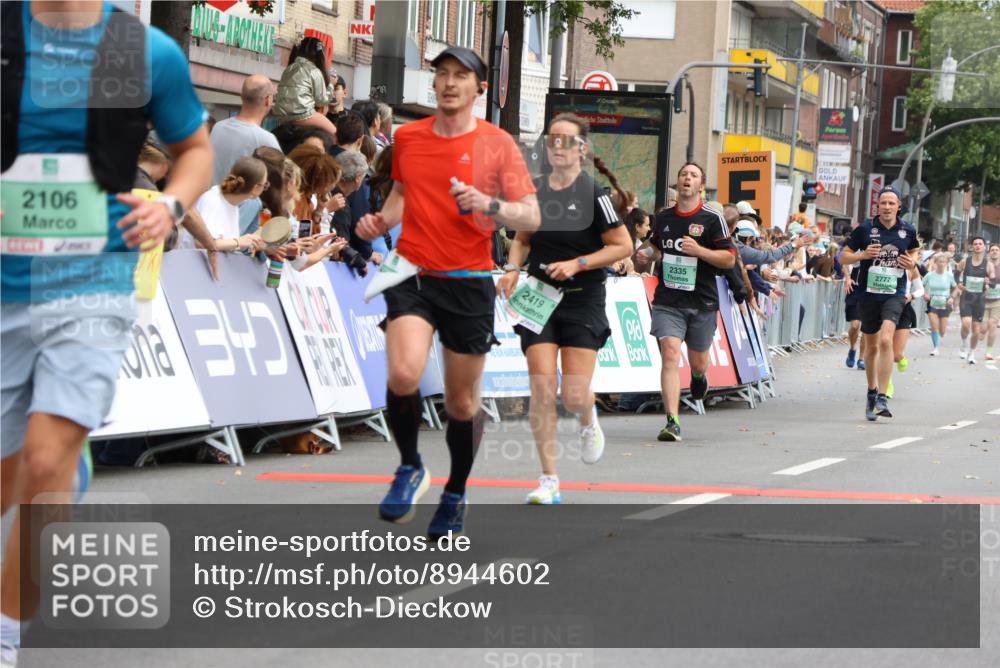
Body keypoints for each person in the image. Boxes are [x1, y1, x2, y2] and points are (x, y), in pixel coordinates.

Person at [0, 1, 212, 664]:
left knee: (43, 461)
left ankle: (5, 637)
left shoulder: (143, 51)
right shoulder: (7, 35)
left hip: (93, 284)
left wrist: (171, 206)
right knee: (13, 475)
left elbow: (195, 150)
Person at [355, 46, 539, 539]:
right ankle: (410, 465)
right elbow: (400, 198)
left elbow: (531, 216)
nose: (450, 83)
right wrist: (379, 222)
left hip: (466, 282)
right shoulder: (409, 138)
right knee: (402, 371)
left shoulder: (498, 144)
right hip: (412, 271)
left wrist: (490, 203)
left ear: (480, 87)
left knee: (461, 405)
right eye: (442, 74)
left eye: (462, 76)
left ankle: (455, 491)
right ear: (433, 83)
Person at [496, 113, 632, 505]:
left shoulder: (594, 194)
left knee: (574, 394)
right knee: (541, 388)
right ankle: (549, 479)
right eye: (552, 139)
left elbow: (623, 246)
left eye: (565, 140)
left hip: (583, 298)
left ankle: (588, 421)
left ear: (581, 149)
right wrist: (511, 269)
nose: (557, 146)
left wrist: (579, 263)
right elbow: (521, 240)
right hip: (539, 297)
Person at [647, 163, 737, 442]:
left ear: (701, 186)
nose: (687, 178)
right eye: (683, 174)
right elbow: (655, 246)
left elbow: (729, 259)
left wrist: (699, 251)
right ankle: (672, 421)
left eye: (694, 175)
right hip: (668, 300)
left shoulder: (712, 219)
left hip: (701, 302)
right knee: (670, 354)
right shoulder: (663, 217)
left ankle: (699, 378)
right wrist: (645, 255)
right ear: (678, 183)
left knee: (698, 362)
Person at [839, 187, 920, 421]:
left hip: (895, 293)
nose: (886, 207)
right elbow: (844, 256)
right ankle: (872, 392)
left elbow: (915, 250)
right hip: (868, 294)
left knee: (886, 340)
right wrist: (861, 256)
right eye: (883, 203)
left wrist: (911, 262)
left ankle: (883, 396)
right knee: (872, 346)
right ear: (878, 206)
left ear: (898, 206)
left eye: (891, 203)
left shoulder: (907, 229)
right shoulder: (865, 229)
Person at [179, 157, 267, 253]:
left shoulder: (232, 204)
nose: (264, 188)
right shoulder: (213, 200)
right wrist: (238, 242)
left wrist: (248, 241)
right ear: (256, 187)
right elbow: (202, 242)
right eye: (264, 184)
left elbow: (223, 243)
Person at [210, 74, 280, 184]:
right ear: (267, 100)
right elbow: (278, 185)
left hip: (211, 200)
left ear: (242, 97)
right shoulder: (267, 140)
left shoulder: (218, 128)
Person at [271, 36, 338, 141]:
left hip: (282, 116)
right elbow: (321, 101)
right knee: (337, 134)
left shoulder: (289, 68)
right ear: (320, 54)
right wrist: (331, 85)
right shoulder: (314, 71)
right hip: (302, 114)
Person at [954, 236, 994, 364]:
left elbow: (993, 282)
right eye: (975, 244)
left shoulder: (988, 264)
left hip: (980, 299)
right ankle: (964, 342)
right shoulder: (965, 261)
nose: (977, 246)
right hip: (966, 297)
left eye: (980, 244)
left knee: (976, 330)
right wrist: (959, 283)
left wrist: (989, 282)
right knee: (966, 323)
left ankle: (971, 352)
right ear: (972, 247)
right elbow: (956, 273)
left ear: (984, 247)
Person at [923, 252, 956, 356]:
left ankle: (940, 335)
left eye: (944, 262)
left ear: (946, 263)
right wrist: (925, 294)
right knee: (934, 326)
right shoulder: (930, 275)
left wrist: (952, 297)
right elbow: (920, 285)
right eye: (939, 261)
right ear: (935, 263)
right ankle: (936, 348)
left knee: (942, 331)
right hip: (932, 302)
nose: (941, 264)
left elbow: (955, 288)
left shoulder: (949, 275)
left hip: (945, 303)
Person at [984, 243, 1000, 361]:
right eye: (992, 250)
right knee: (983, 329)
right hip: (983, 300)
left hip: (997, 301)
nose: (994, 251)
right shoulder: (984, 265)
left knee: (993, 324)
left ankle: (989, 352)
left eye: (996, 250)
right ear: (989, 252)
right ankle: (981, 333)